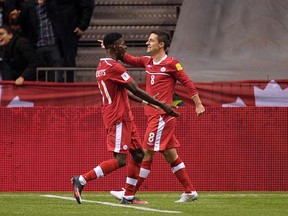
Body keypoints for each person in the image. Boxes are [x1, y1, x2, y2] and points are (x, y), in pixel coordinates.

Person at [71, 32, 179, 205]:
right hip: (118, 117)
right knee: (120, 160)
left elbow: (126, 91)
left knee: (138, 154)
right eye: (122, 44)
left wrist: (148, 103)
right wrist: (162, 105)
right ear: (115, 47)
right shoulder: (115, 67)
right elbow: (135, 89)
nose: (126, 47)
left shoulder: (103, 65)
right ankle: (82, 179)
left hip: (124, 116)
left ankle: (128, 196)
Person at [110, 30, 205, 202]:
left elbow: (187, 82)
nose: (147, 43)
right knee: (170, 154)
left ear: (161, 44)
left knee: (145, 153)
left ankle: (128, 192)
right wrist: (112, 46)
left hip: (162, 116)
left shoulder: (171, 64)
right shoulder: (147, 61)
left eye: (151, 40)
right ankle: (190, 191)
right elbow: (127, 58)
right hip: (153, 115)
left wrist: (198, 103)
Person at [8, 0, 63, 82]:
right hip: (36, 46)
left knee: (57, 76)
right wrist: (15, 17)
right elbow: (19, 23)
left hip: (53, 44)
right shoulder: (27, 6)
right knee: (39, 77)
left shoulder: (53, 4)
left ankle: (58, 93)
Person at [47, 0, 94, 82]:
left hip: (68, 27)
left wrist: (83, 25)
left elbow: (87, 4)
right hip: (51, 28)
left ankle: (68, 88)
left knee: (68, 61)